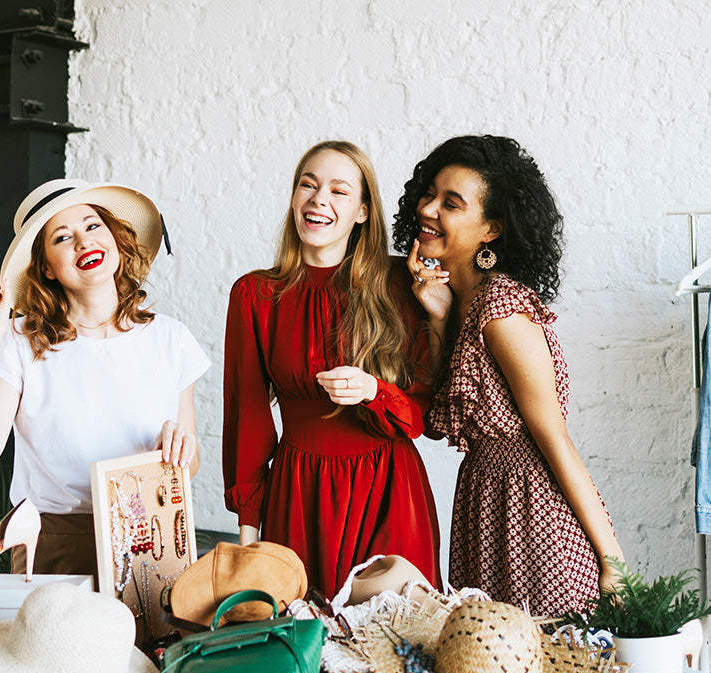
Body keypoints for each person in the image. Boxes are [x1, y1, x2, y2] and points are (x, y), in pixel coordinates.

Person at [394, 135, 625, 615]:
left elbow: (553, 438)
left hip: (531, 514)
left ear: (491, 229)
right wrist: (436, 318)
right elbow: (436, 423)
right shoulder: (455, 302)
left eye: (451, 204)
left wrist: (613, 564)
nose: (429, 208)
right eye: (430, 193)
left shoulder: (500, 308)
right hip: (482, 503)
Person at [0, 179, 210, 577]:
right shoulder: (21, 342)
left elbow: (189, 464)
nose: (82, 242)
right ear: (46, 268)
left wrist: (177, 451)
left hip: (152, 537)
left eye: (92, 226)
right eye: (62, 237)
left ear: (114, 238)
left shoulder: (170, 338)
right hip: (54, 541)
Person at [223, 140, 441, 595]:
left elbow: (422, 413)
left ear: (363, 211)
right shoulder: (255, 295)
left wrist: (373, 390)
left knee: (394, 649)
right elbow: (247, 417)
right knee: (310, 645)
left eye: (339, 191)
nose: (319, 198)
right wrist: (248, 542)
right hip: (297, 493)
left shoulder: (401, 284)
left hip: (388, 490)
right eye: (309, 184)